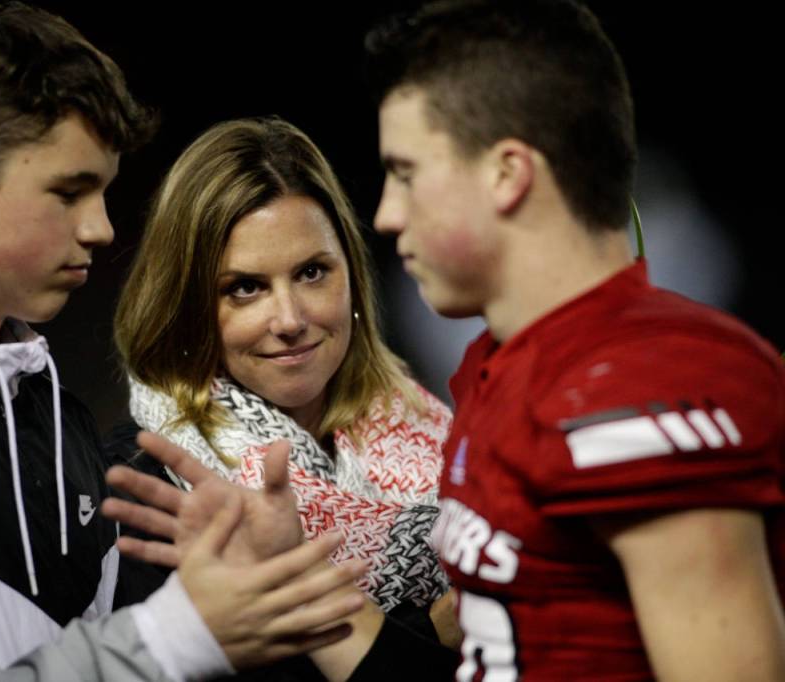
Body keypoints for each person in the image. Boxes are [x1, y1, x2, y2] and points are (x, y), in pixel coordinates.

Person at [106, 0, 785, 679]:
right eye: (244, 288)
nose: (387, 215)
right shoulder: (484, 382)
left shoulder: (648, 388)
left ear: (506, 174)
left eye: (406, 173)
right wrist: (309, 590)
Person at [0, 2, 366, 680]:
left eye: (105, 193)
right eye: (70, 192)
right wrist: (179, 631)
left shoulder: (57, 413)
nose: (101, 229)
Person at [112, 117, 452, 615]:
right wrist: (436, 637)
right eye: (245, 288)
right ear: (187, 307)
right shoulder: (143, 486)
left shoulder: (439, 432)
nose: (290, 320)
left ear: (352, 277)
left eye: (312, 273)